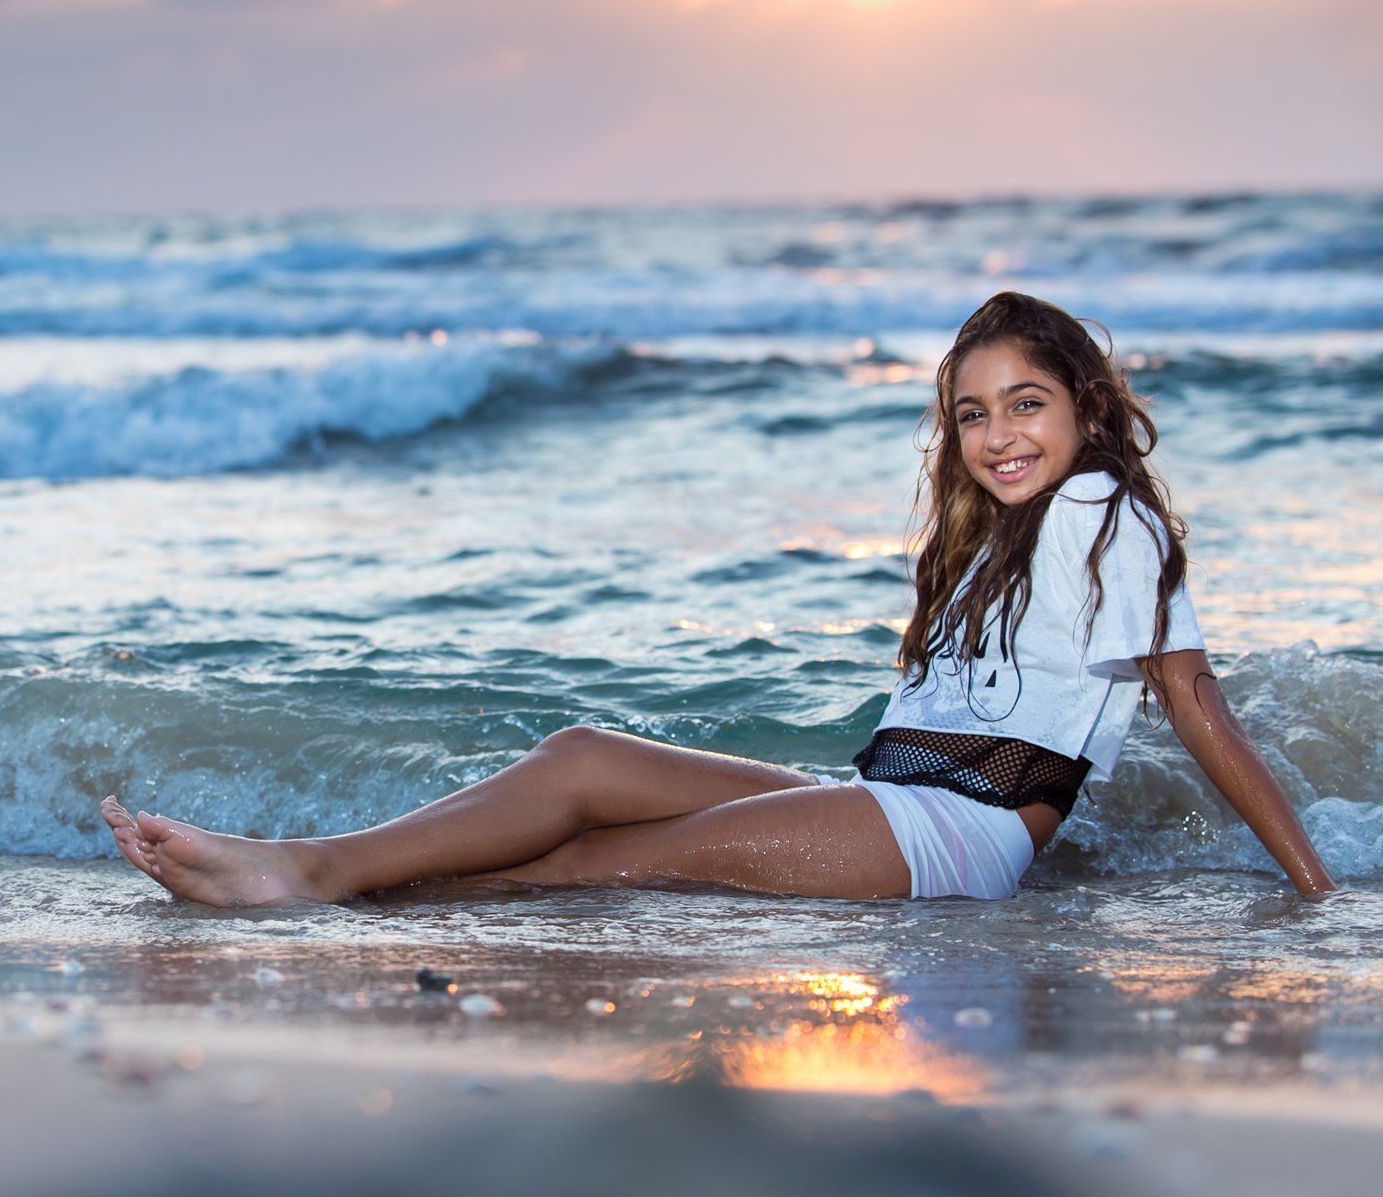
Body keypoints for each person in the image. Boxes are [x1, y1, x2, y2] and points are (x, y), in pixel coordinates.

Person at [99, 291, 1338, 905]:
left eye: (1027, 403)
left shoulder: (1107, 509)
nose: (999, 433)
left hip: (957, 834)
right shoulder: (992, 542)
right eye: (973, 412)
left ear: (1083, 403)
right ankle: (316, 868)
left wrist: (1318, 892)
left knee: (611, 862)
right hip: (894, 795)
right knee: (582, 756)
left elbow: (1193, 701)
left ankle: (311, 887)